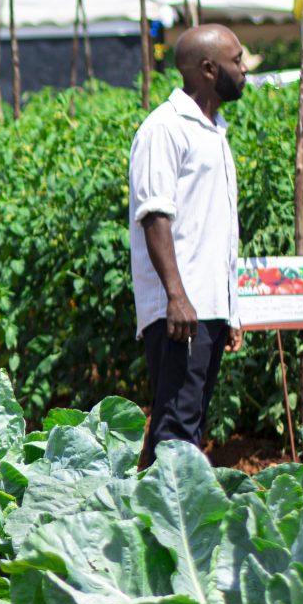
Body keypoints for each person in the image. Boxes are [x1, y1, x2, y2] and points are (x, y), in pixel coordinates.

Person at [129, 23, 249, 465]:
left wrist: (229, 310)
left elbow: (214, 227)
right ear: (208, 69)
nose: (244, 69)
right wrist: (177, 298)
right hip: (180, 310)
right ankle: (165, 526)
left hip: (208, 306)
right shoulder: (164, 128)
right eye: (237, 61)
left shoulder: (213, 128)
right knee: (177, 430)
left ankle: (142, 520)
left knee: (183, 423)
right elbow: (154, 215)